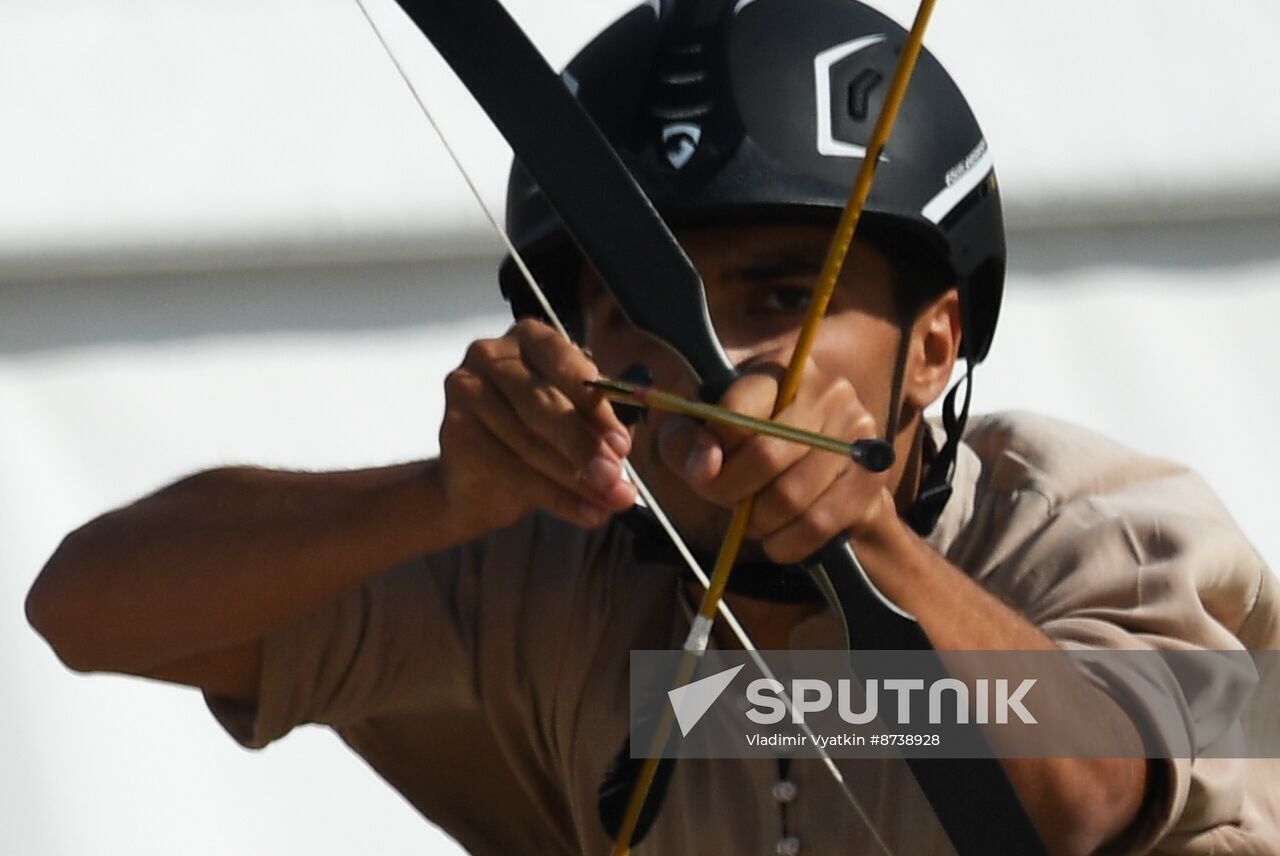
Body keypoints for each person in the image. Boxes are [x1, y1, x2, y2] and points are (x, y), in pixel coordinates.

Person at [25, 0, 1279, 853]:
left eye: (782, 297)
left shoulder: (1107, 531)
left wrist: (869, 550)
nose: (706, 361)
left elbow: (1082, 800)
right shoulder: (555, 564)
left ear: (932, 347)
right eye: (631, 310)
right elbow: (82, 607)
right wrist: (437, 501)